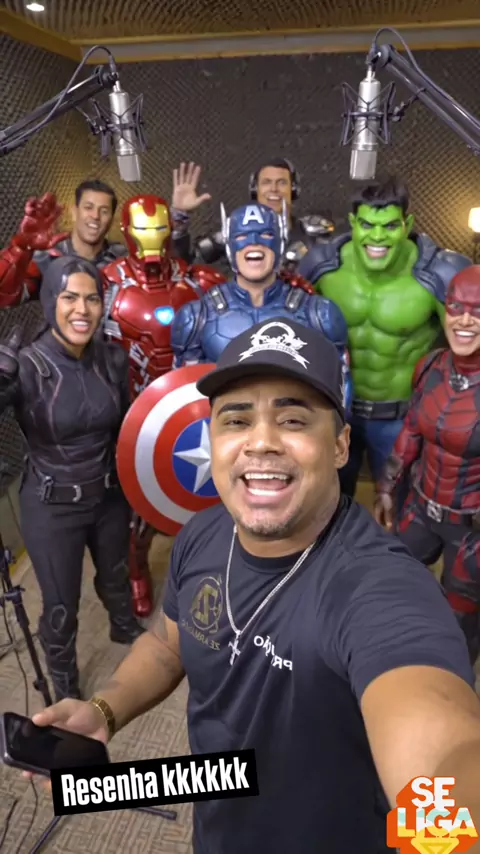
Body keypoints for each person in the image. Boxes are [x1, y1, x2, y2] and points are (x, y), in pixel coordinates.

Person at [27, 318, 480, 854]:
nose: (261, 441)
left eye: (292, 419)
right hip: (219, 816)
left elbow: (443, 762)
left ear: (340, 446)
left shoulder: (380, 591)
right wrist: (104, 710)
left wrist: (445, 837)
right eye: (236, 419)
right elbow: (169, 645)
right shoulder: (203, 533)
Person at [0, 256, 143, 702]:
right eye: (69, 298)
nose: (82, 309)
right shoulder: (26, 366)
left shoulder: (112, 359)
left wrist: (138, 493)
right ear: (50, 302)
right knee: (61, 607)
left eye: (91, 298)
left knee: (116, 576)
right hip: (52, 505)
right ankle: (65, 686)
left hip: (108, 494)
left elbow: (127, 430)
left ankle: (123, 627)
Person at [298, 176, 472, 498]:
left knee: (398, 508)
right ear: (353, 223)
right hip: (334, 410)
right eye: (368, 225)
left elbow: (471, 343)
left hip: (400, 419)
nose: (377, 237)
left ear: (407, 224)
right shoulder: (322, 265)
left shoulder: (438, 272)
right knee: (325, 505)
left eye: (390, 226)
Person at [102, 194, 226, 618]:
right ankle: (137, 571)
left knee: (207, 495)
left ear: (171, 230)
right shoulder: (107, 284)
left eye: (159, 230)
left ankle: (208, 574)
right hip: (130, 408)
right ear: (126, 233)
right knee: (134, 506)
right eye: (143, 231)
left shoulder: (198, 280)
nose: (151, 240)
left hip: (192, 406)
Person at [374, 266, 480, 663]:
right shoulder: (431, 366)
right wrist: (386, 487)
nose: (464, 320)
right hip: (420, 508)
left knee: (460, 621)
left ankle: (452, 686)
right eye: (456, 307)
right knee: (395, 586)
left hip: (471, 532)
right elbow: (411, 432)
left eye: (478, 311)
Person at [171, 201, 352, 414]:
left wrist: (329, 430)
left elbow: (340, 386)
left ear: (280, 244)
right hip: (224, 429)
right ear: (229, 246)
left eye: (265, 235)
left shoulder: (318, 314)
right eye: (242, 236)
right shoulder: (197, 317)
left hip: (292, 428)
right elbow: (182, 397)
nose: (254, 243)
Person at [170, 158, 335, 273]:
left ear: (294, 189)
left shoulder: (312, 235)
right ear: (255, 189)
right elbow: (180, 267)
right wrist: (180, 216)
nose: (274, 189)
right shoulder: (232, 234)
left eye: (282, 182)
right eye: (266, 182)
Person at [0, 180, 128, 307]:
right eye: (88, 207)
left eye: (104, 211)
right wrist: (19, 250)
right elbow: (5, 297)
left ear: (112, 219)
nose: (95, 216)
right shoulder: (47, 258)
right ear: (74, 212)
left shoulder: (123, 261)